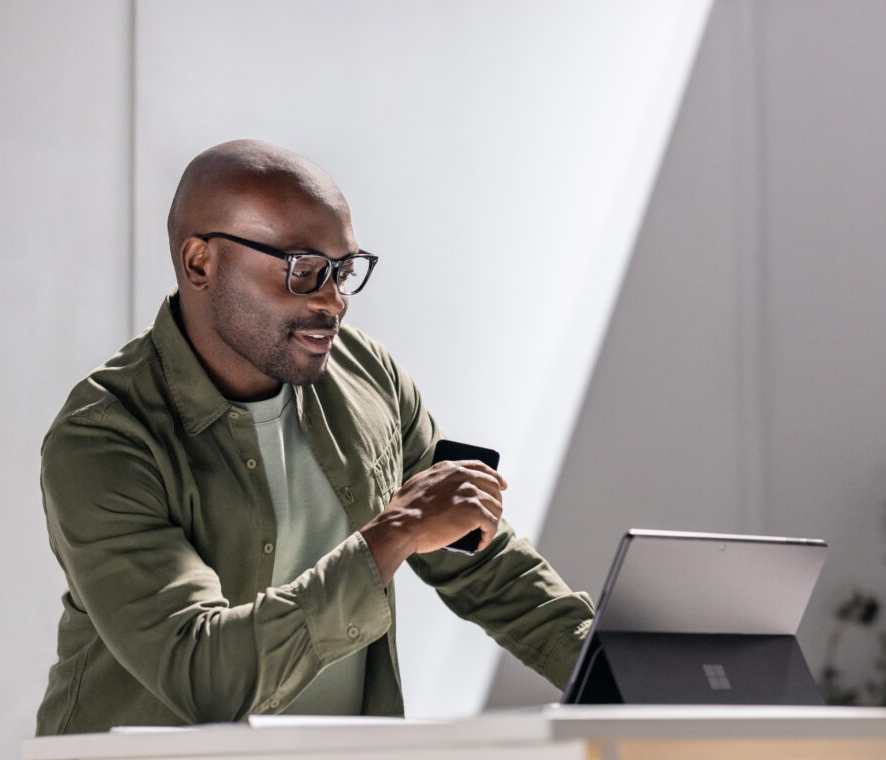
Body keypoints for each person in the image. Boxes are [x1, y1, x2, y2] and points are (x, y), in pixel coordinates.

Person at [36, 140, 594, 735]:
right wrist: (394, 533)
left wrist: (616, 667)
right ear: (200, 263)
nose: (335, 302)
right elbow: (202, 673)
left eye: (343, 271)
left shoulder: (369, 375)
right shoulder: (104, 436)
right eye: (304, 271)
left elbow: (482, 560)